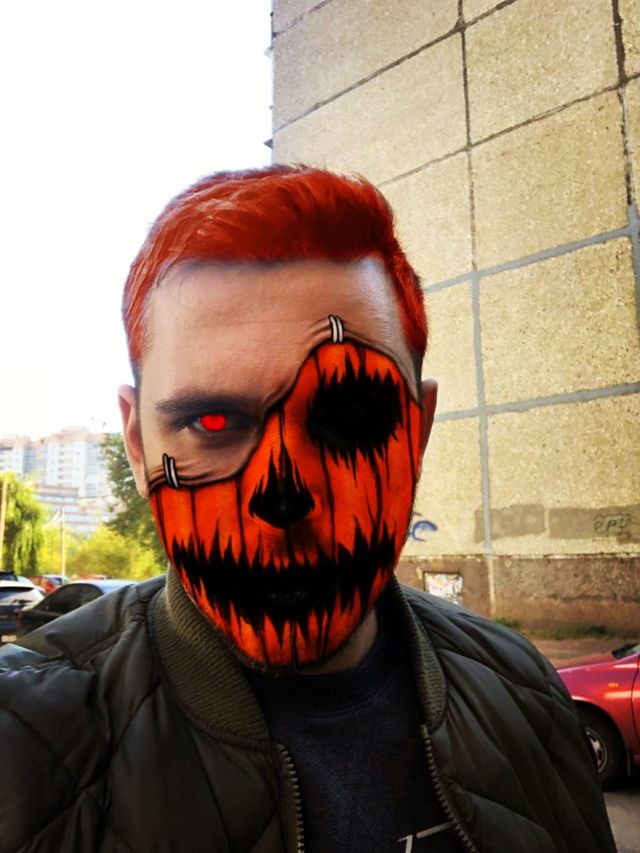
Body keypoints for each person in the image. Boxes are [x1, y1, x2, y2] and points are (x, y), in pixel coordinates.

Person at [0, 166, 615, 853]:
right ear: (139, 445)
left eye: (349, 418)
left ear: (418, 431)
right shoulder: (23, 741)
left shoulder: (525, 694)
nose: (280, 496)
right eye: (211, 421)